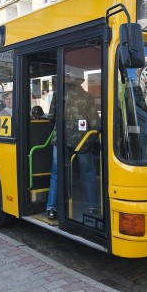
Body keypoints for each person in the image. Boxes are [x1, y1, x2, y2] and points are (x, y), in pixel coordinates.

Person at [46, 75, 100, 219]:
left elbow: (51, 116)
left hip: (60, 140)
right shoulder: (88, 97)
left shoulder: (58, 94)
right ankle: (93, 207)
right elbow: (95, 122)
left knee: (56, 173)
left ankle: (52, 208)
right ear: (80, 81)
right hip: (81, 141)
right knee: (88, 173)